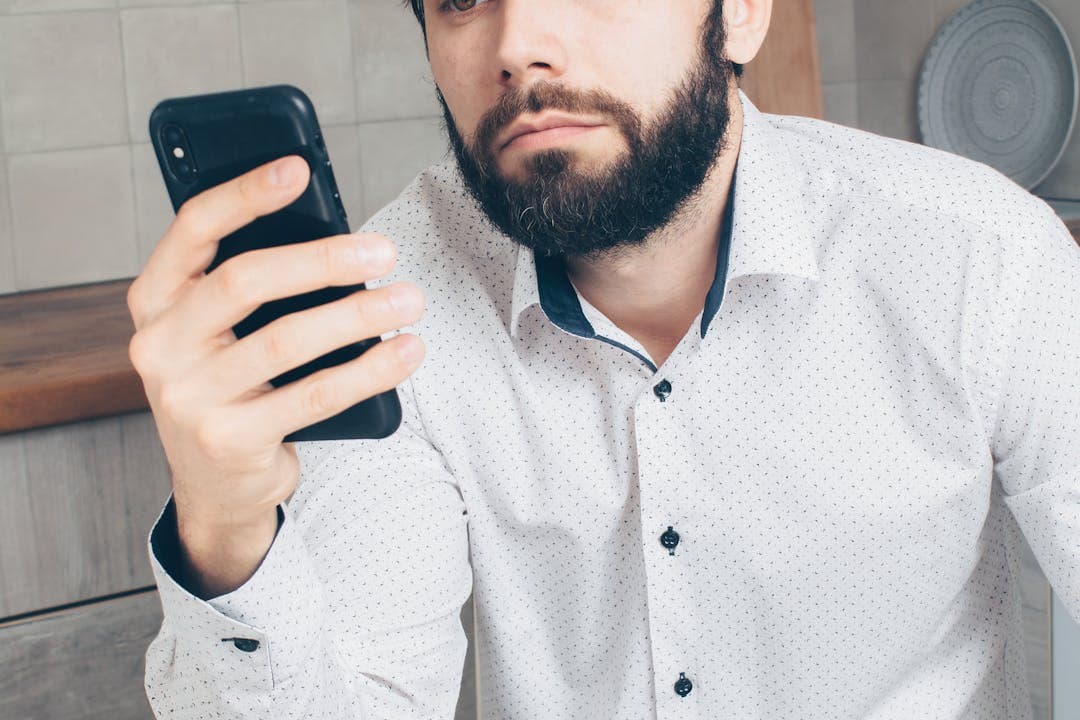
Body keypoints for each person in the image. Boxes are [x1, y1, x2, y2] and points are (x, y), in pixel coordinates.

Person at [127, 0, 1080, 717]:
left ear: (739, 11)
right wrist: (228, 532)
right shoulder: (386, 308)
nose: (514, 45)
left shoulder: (979, 256)